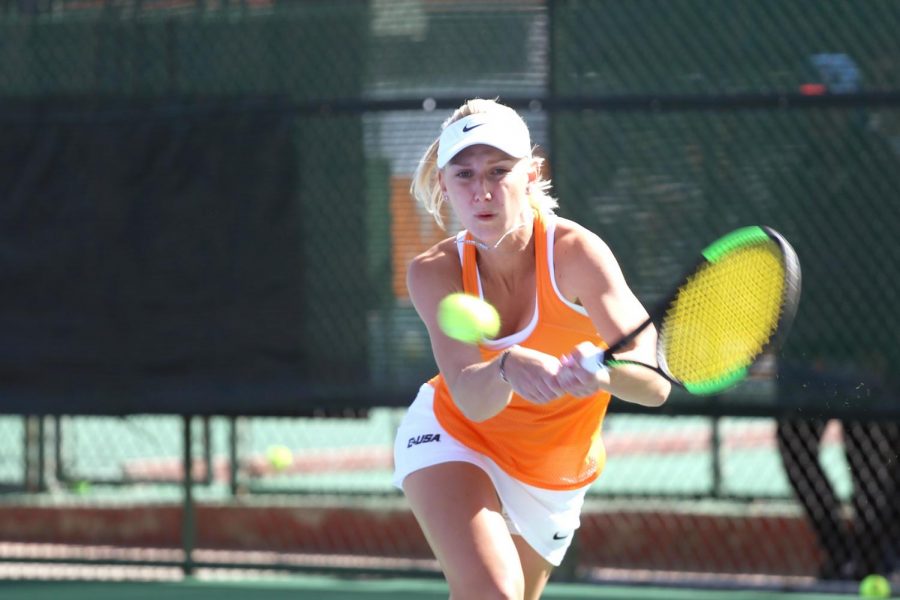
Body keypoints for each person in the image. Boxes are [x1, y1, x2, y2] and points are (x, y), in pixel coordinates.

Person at [391, 98, 670, 600]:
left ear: (532, 173)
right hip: (455, 434)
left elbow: (653, 383)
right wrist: (507, 366)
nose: (482, 190)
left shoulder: (577, 255)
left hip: (554, 469)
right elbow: (471, 397)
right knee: (493, 593)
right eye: (464, 174)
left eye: (499, 170)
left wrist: (602, 375)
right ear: (443, 184)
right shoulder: (433, 272)